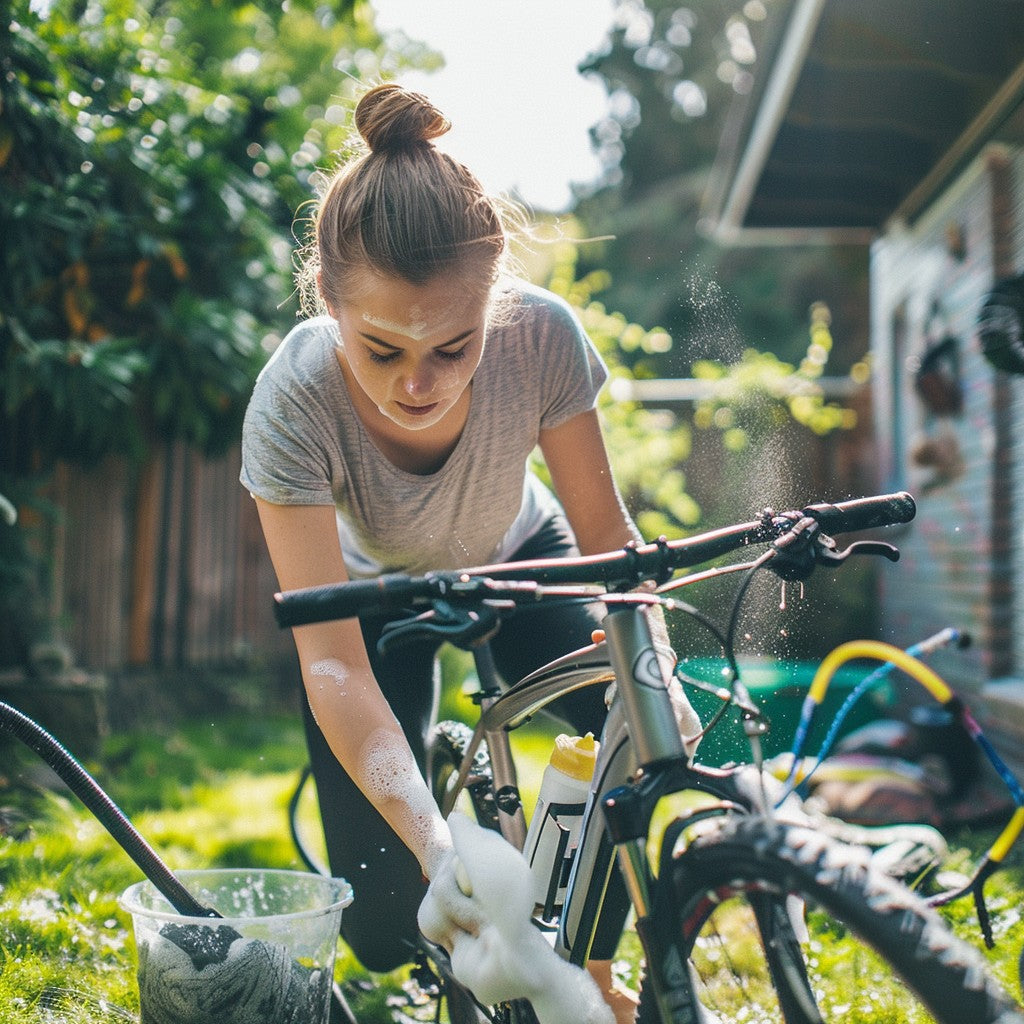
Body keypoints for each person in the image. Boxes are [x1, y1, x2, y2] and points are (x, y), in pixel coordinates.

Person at [240, 82, 701, 1024]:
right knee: (382, 930)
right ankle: (448, 826)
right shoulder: (290, 402)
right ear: (326, 303)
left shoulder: (543, 336)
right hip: (376, 602)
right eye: (380, 350)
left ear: (496, 308)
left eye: (453, 349)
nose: (417, 383)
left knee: (635, 733)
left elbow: (611, 548)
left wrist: (655, 687)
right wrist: (432, 847)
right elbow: (328, 659)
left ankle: (591, 968)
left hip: (522, 553)